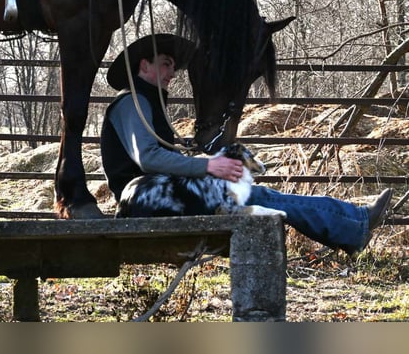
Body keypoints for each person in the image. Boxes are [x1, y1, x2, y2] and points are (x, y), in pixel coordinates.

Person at [100, 33, 393, 255]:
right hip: (144, 197)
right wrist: (209, 165)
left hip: (159, 195)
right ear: (144, 66)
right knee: (257, 196)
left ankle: (355, 225)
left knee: (257, 195)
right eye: (166, 64)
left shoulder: (146, 103)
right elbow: (148, 158)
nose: (172, 74)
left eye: (173, 66)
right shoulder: (133, 102)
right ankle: (355, 224)